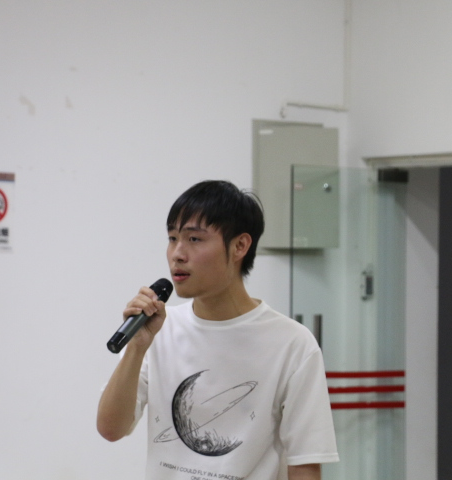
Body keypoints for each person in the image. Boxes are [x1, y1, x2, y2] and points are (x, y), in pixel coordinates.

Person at [97, 180, 338, 480]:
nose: (177, 254)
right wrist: (136, 347)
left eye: (194, 239)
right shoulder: (158, 330)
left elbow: (305, 464)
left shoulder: (292, 343)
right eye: (172, 238)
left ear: (240, 246)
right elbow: (110, 429)